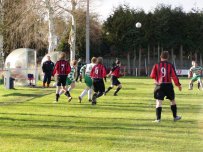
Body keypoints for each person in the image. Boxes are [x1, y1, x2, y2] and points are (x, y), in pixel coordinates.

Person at [150, 51, 182, 122]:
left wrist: (156, 80)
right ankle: (175, 117)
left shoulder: (156, 65)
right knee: (172, 100)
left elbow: (152, 76)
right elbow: (174, 76)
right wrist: (178, 85)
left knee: (158, 101)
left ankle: (158, 119)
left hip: (160, 85)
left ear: (160, 57)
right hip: (168, 85)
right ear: (168, 57)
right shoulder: (170, 65)